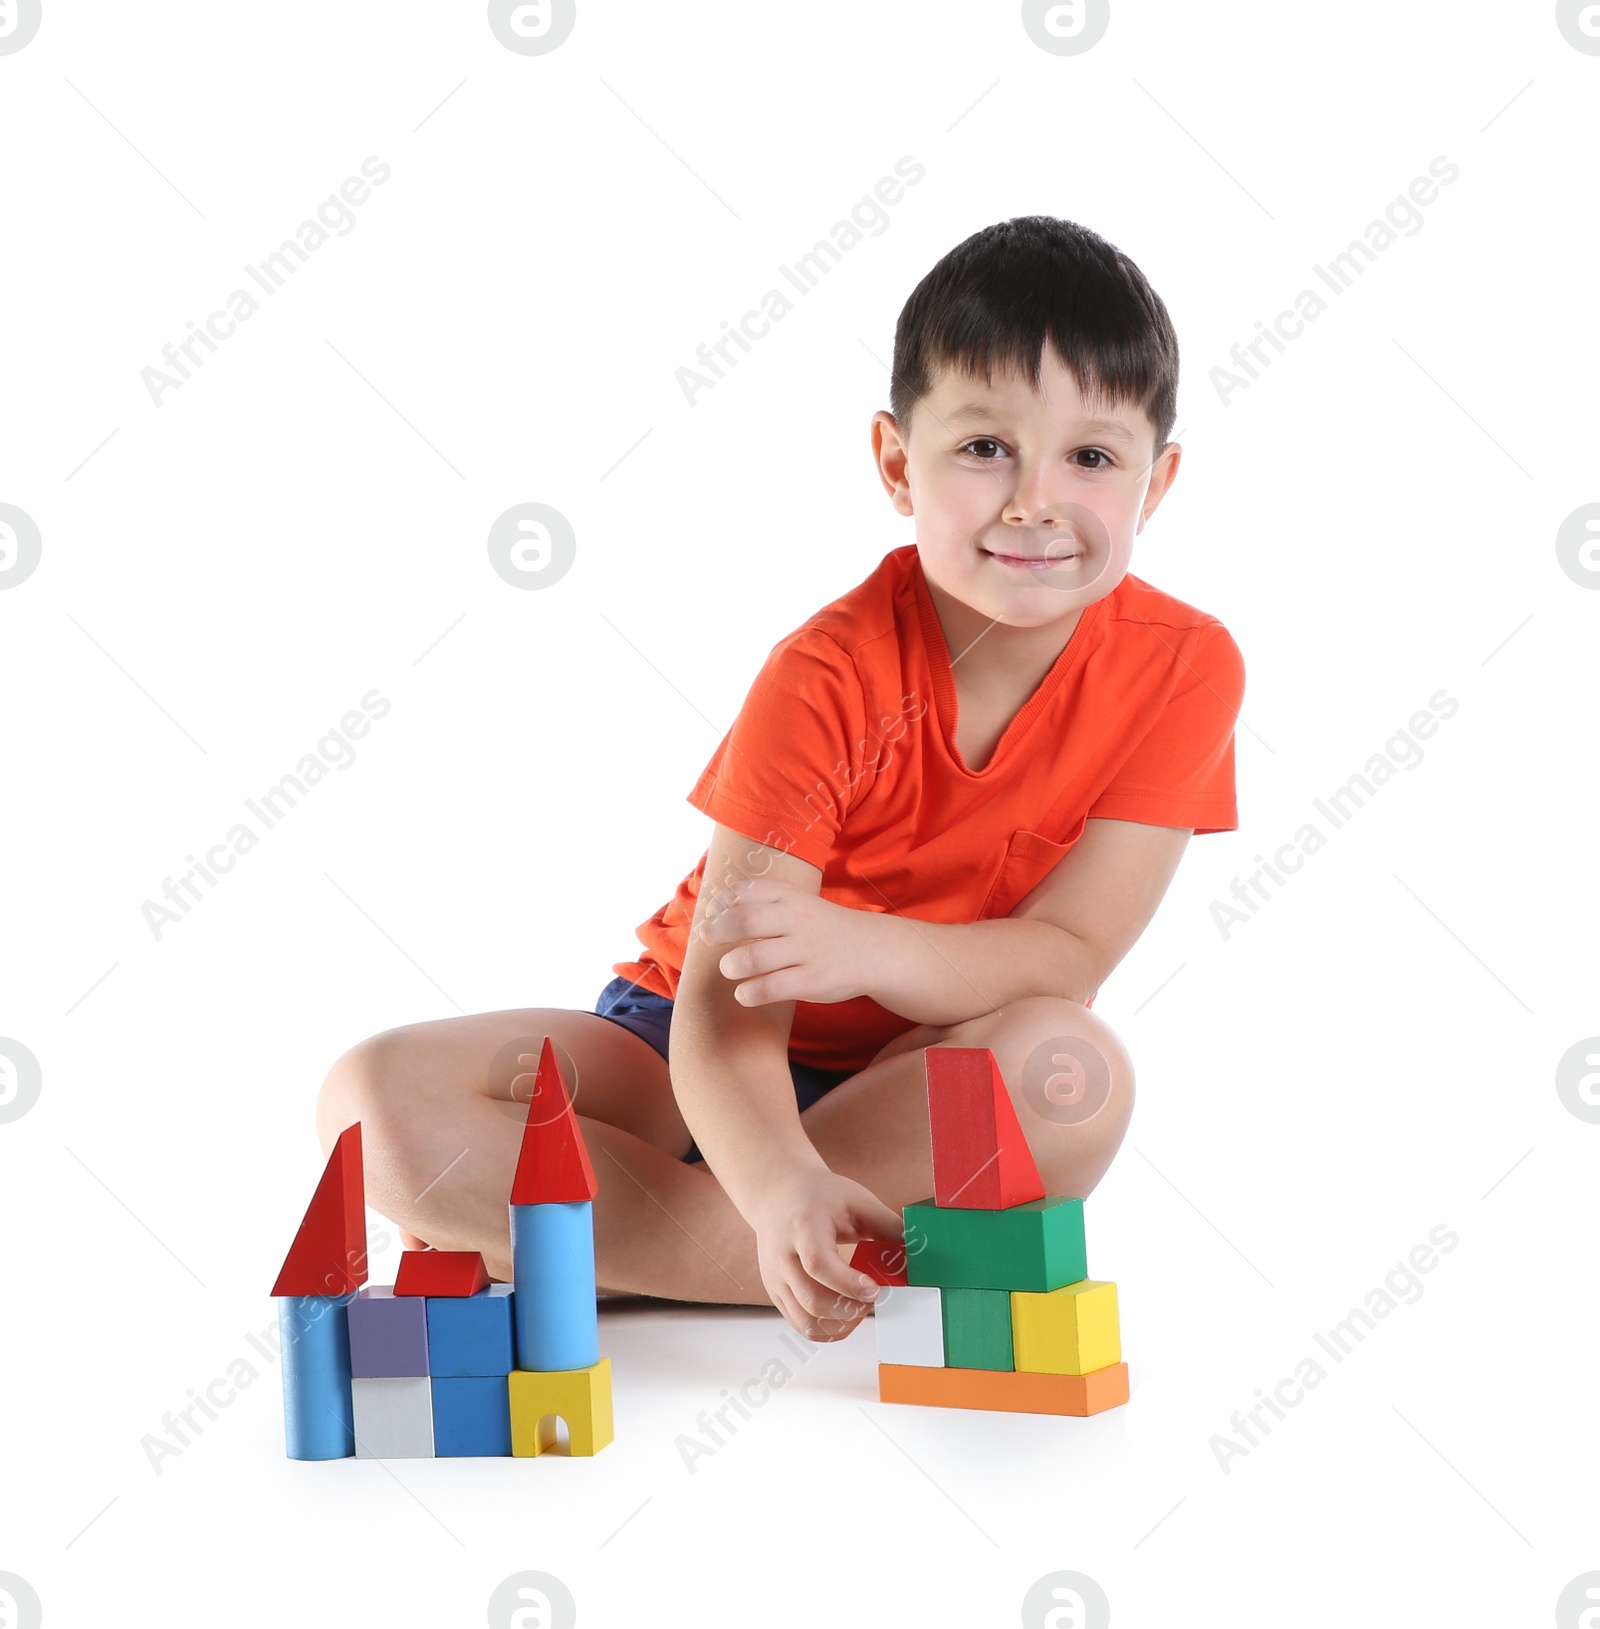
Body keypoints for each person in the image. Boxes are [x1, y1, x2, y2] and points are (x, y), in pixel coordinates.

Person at [316, 214, 1245, 1346]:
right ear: (898, 464)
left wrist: (868, 949)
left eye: (1091, 457)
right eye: (984, 447)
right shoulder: (829, 671)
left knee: (1072, 1069)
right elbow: (718, 1012)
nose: (1034, 500)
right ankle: (773, 1245)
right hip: (682, 1063)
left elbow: (1070, 953)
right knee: (376, 1102)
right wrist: (769, 1185)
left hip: (916, 1081)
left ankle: (606, 1256)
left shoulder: (1186, 668)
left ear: (1157, 485)